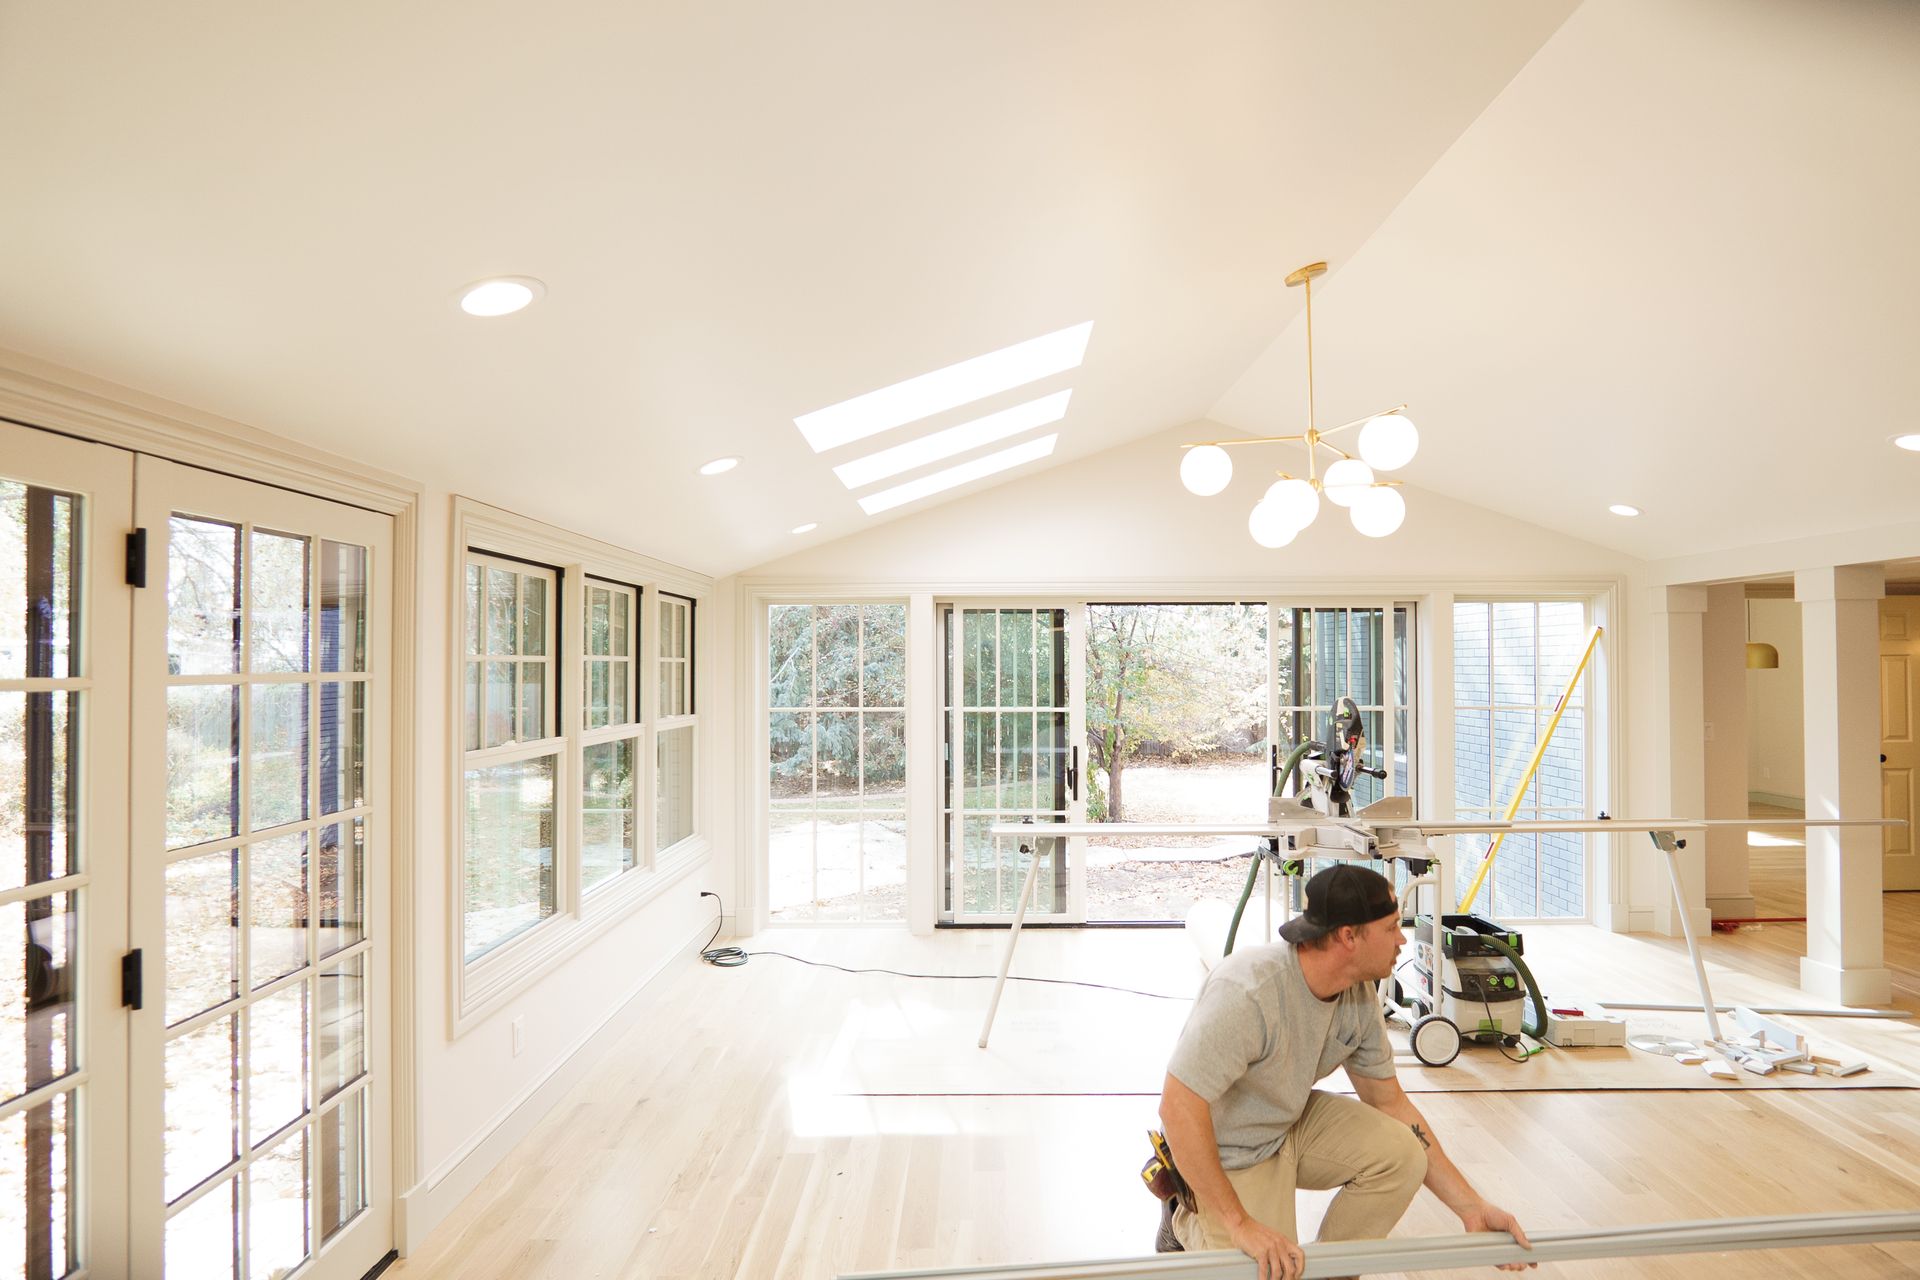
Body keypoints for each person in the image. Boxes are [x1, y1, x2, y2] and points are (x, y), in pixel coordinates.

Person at [1157, 863, 1535, 1280]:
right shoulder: (1249, 992)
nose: (1401, 939)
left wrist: (1472, 1208)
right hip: (1227, 1149)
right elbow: (1177, 1108)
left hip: (1288, 1122)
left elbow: (1389, 1103)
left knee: (1402, 1154)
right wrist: (1239, 1224)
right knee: (1265, 1269)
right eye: (1391, 927)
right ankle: (1186, 1217)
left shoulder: (1356, 994)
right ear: (1348, 936)